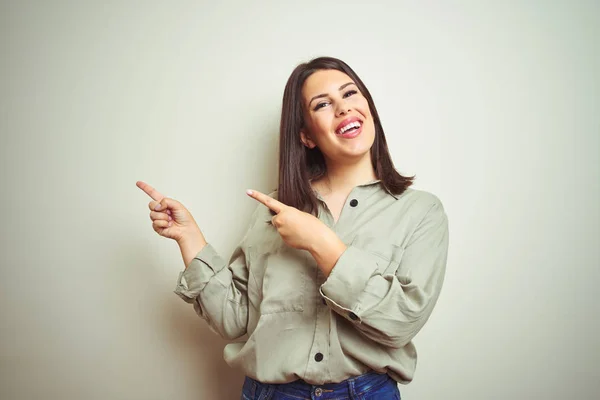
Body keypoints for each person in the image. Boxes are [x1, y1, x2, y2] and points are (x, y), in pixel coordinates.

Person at [136, 56, 449, 400]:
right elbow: (235, 320)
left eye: (350, 94)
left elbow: (401, 323)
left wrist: (322, 244)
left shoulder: (421, 212)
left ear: (368, 108)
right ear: (306, 135)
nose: (343, 109)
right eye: (323, 104)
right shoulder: (274, 209)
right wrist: (190, 238)